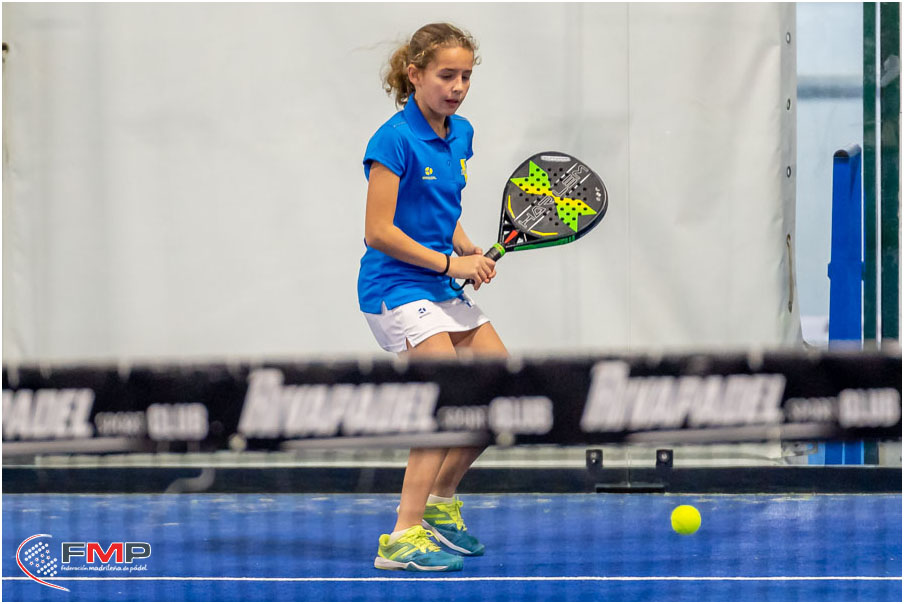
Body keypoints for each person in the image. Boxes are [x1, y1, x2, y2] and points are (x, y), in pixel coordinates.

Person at [358, 23, 508, 572]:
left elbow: (438, 206)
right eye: (447, 75)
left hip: (438, 283)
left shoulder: (461, 132)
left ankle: (440, 503)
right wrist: (451, 263)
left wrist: (464, 246)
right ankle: (402, 534)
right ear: (415, 74)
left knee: (502, 388)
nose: (458, 87)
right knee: (443, 400)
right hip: (394, 287)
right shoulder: (392, 140)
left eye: (466, 76)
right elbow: (379, 231)